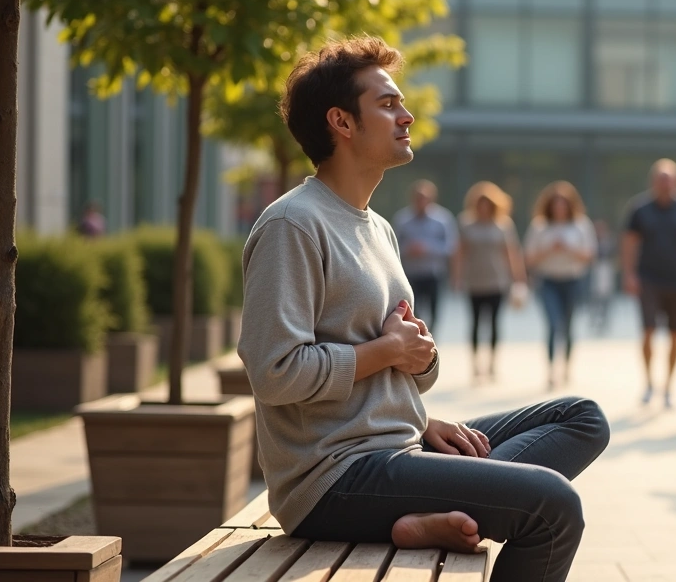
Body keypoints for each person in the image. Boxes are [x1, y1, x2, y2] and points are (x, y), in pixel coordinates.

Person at [238, 38, 609, 582]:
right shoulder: (293, 225)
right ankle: (433, 510)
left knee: (582, 417)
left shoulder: (377, 227)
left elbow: (414, 366)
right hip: (334, 477)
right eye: (387, 105)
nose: (406, 115)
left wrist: (416, 376)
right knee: (553, 506)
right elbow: (275, 373)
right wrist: (387, 349)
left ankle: (426, 515)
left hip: (395, 444)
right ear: (341, 122)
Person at [621, 158, 676, 409]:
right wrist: (629, 274)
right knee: (648, 330)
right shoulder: (640, 209)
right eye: (660, 179)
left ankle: (668, 386)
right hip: (648, 279)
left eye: (669, 180)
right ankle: (648, 383)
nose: (665, 184)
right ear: (653, 181)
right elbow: (629, 242)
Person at [524, 182, 598, 389]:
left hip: (573, 281)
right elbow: (529, 258)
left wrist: (569, 249)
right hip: (548, 281)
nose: (559, 208)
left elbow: (589, 255)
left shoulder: (581, 225)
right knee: (553, 324)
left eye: (563, 204)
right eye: (556, 203)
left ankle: (566, 367)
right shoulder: (540, 227)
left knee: (568, 325)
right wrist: (549, 249)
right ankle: (550, 370)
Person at [453, 181, 527, 383]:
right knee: (475, 322)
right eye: (480, 204)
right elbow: (460, 253)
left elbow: (511, 254)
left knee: (494, 323)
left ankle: (492, 364)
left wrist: (519, 279)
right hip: (475, 281)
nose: (483, 208)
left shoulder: (503, 225)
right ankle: (476, 364)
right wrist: (457, 278)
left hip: (497, 281)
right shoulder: (466, 224)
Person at [392, 179, 458, 330]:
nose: (421, 201)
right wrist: (409, 249)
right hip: (411, 275)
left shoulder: (443, 219)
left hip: (433, 274)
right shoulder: (402, 220)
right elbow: (393, 247)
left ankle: (431, 338)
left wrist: (427, 248)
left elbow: (451, 247)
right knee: (414, 311)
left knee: (434, 312)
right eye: (418, 197)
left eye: (424, 197)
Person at [587, 219, 617, 334]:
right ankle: (594, 320)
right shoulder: (592, 241)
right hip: (595, 271)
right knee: (594, 299)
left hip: (607, 271)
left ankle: (604, 321)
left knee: (606, 299)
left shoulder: (610, 241)